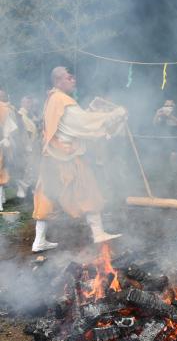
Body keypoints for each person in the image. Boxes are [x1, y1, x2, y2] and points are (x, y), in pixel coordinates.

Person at [32, 67, 126, 252]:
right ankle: (98, 233)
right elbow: (83, 123)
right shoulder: (62, 100)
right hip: (66, 157)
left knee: (46, 195)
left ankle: (39, 241)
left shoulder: (52, 99)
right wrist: (115, 115)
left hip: (51, 156)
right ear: (59, 81)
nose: (73, 79)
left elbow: (70, 124)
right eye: (69, 77)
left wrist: (91, 110)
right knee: (88, 190)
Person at [15, 95, 40, 199]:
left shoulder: (29, 115)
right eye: (27, 103)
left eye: (30, 103)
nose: (29, 105)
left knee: (31, 168)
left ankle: (30, 191)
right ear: (22, 103)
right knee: (26, 169)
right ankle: (22, 192)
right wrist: (26, 145)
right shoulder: (20, 115)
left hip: (32, 145)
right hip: (26, 146)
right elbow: (22, 133)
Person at [0, 90, 18, 211]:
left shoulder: (4, 109)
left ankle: (0, 201)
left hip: (1, 144)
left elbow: (9, 126)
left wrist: (6, 138)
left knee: (1, 172)